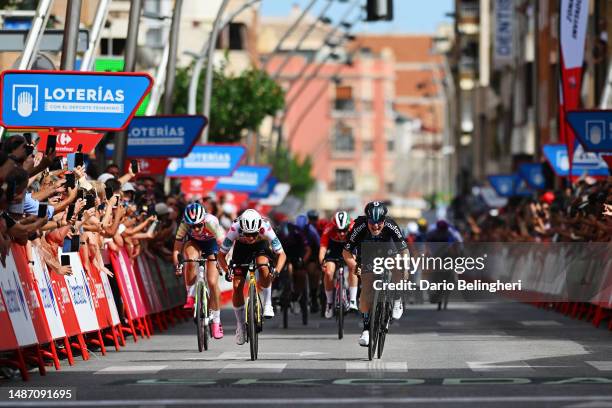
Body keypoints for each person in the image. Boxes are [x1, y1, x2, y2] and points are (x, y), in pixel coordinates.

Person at [342, 201, 409, 347]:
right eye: (372, 222)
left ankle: (397, 298)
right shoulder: (359, 226)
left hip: (388, 250)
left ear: (384, 220)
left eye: (380, 222)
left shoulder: (391, 225)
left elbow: (404, 250)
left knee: (400, 267)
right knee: (366, 288)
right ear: (367, 219)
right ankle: (366, 330)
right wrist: (353, 265)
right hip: (367, 254)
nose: (376, 226)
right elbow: (346, 251)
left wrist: (405, 265)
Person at [217, 209, 287, 345]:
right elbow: (221, 255)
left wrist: (277, 270)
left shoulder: (266, 228)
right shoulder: (234, 228)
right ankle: (240, 326)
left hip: (261, 246)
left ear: (258, 229)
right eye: (247, 234)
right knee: (237, 286)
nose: (250, 238)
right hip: (241, 249)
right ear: (241, 228)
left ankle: (268, 304)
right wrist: (227, 270)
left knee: (263, 266)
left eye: (253, 234)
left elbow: (282, 254)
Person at [173, 202, 226, 339]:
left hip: (212, 244)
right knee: (190, 259)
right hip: (194, 243)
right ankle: (190, 295)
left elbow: (223, 247)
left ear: (203, 221)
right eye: (192, 226)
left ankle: (216, 322)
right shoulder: (184, 223)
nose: (196, 229)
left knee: (212, 283)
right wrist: (178, 264)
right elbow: (177, 249)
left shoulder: (211, 222)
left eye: (198, 225)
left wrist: (221, 263)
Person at [319, 211, 353, 318]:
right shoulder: (328, 228)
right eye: (339, 230)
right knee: (328, 273)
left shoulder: (354, 228)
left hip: (348, 248)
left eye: (344, 230)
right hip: (333, 249)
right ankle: (329, 303)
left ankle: (353, 300)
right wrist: (322, 262)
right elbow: (323, 248)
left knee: (355, 267)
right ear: (334, 227)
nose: (342, 233)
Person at [295, 214, 321, 313]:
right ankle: (294, 291)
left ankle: (314, 296)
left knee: (313, 272)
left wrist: (319, 261)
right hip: (298, 253)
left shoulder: (311, 231)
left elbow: (319, 245)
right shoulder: (294, 231)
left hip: (312, 254)